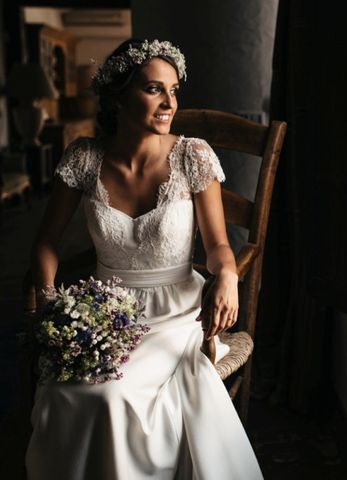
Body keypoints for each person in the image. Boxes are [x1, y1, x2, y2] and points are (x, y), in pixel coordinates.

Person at [25, 39, 263, 479]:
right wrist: (52, 306)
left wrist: (227, 275)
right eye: (154, 89)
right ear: (118, 96)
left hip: (177, 314)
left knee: (110, 397)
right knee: (66, 393)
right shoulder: (84, 158)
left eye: (174, 90)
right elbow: (45, 244)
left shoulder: (193, 156)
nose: (169, 102)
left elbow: (217, 247)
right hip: (102, 314)